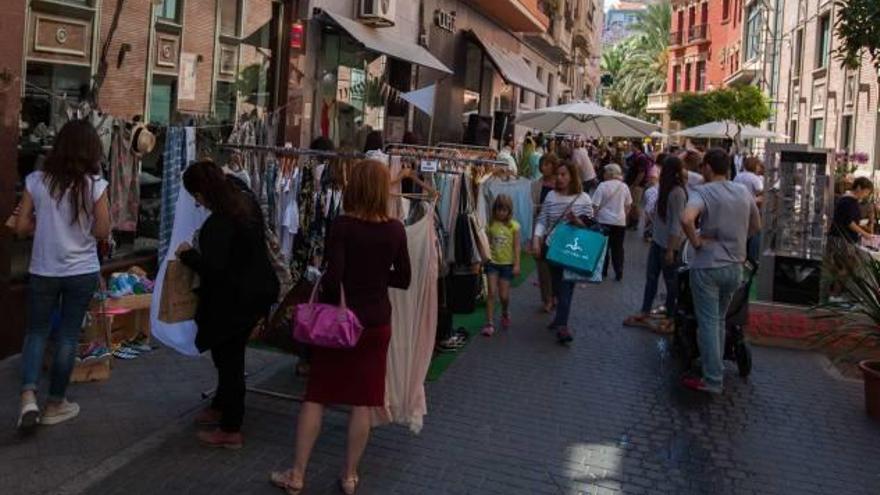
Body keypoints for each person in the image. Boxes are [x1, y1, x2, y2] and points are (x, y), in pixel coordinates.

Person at [271, 160, 411, 495]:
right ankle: (349, 476)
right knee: (363, 402)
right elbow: (403, 278)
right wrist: (377, 280)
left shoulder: (344, 225)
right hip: (377, 323)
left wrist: (348, 282)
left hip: (340, 325)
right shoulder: (395, 229)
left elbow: (333, 280)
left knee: (317, 395)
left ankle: (298, 474)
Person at [14, 120, 110, 432]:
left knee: (36, 332)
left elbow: (20, 227)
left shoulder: (37, 181)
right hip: (81, 270)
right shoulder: (95, 185)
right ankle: (55, 403)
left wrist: (43, 224)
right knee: (68, 336)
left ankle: (28, 395)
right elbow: (102, 231)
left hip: (43, 268)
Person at [175, 161, 279, 448]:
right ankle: (221, 405)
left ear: (199, 195)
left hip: (237, 299)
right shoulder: (244, 201)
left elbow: (215, 270)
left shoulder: (218, 223)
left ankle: (231, 428)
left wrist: (188, 256)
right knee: (228, 356)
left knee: (229, 360)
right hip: (256, 291)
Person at [680, 149, 761, 394]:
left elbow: (686, 219)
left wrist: (696, 242)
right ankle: (716, 371)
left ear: (706, 168)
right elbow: (756, 225)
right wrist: (737, 242)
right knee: (719, 320)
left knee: (707, 322)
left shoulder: (702, 191)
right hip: (735, 266)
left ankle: (713, 379)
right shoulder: (743, 191)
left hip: (707, 265)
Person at [533, 161, 594, 344]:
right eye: (557, 175)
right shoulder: (551, 196)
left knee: (567, 287)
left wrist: (578, 221)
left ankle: (562, 326)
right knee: (558, 287)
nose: (559, 178)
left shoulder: (583, 198)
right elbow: (542, 220)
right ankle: (559, 318)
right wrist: (536, 240)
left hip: (573, 250)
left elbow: (591, 224)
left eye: (563, 175)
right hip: (553, 248)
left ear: (572, 176)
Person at [625, 156, 688, 331]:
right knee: (651, 278)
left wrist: (670, 249)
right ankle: (645, 310)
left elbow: (676, 224)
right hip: (658, 241)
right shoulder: (665, 189)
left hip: (668, 245)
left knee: (670, 282)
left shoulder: (677, 193)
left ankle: (670, 316)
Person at [481, 195, 522, 337]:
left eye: (504, 210)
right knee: (491, 292)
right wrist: (484, 258)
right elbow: (488, 244)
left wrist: (517, 264)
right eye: (499, 209)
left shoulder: (514, 226)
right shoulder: (490, 225)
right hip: (492, 263)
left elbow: (516, 247)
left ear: (509, 211)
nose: (501, 213)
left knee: (504, 296)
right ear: (495, 210)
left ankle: (505, 311)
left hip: (507, 265)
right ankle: (489, 323)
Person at [591, 164, 632, 281]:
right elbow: (628, 205)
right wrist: (623, 215)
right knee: (618, 247)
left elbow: (595, 205)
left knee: (603, 247)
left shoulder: (602, 186)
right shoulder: (624, 187)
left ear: (609, 173)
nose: (603, 175)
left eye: (605, 172)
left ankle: (603, 270)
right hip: (619, 222)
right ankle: (619, 271)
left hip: (603, 221)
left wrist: (593, 218)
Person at [531, 154, 559, 313]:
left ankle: (555, 295)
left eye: (548, 164)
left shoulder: (560, 183)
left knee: (555, 266)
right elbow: (531, 206)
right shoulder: (536, 184)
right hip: (540, 229)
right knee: (542, 268)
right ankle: (546, 299)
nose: (544, 168)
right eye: (542, 164)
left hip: (556, 230)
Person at [734, 157, 765, 261]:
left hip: (738, 208)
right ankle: (752, 257)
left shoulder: (738, 176)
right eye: (758, 165)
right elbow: (761, 193)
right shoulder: (754, 178)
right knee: (755, 232)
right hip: (751, 209)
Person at [624, 140, 654, 229]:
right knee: (631, 203)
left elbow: (641, 173)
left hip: (637, 185)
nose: (629, 147)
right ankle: (631, 222)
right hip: (632, 183)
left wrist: (634, 184)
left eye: (631, 145)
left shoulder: (641, 158)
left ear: (636, 146)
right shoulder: (634, 156)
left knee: (635, 204)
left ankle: (635, 223)